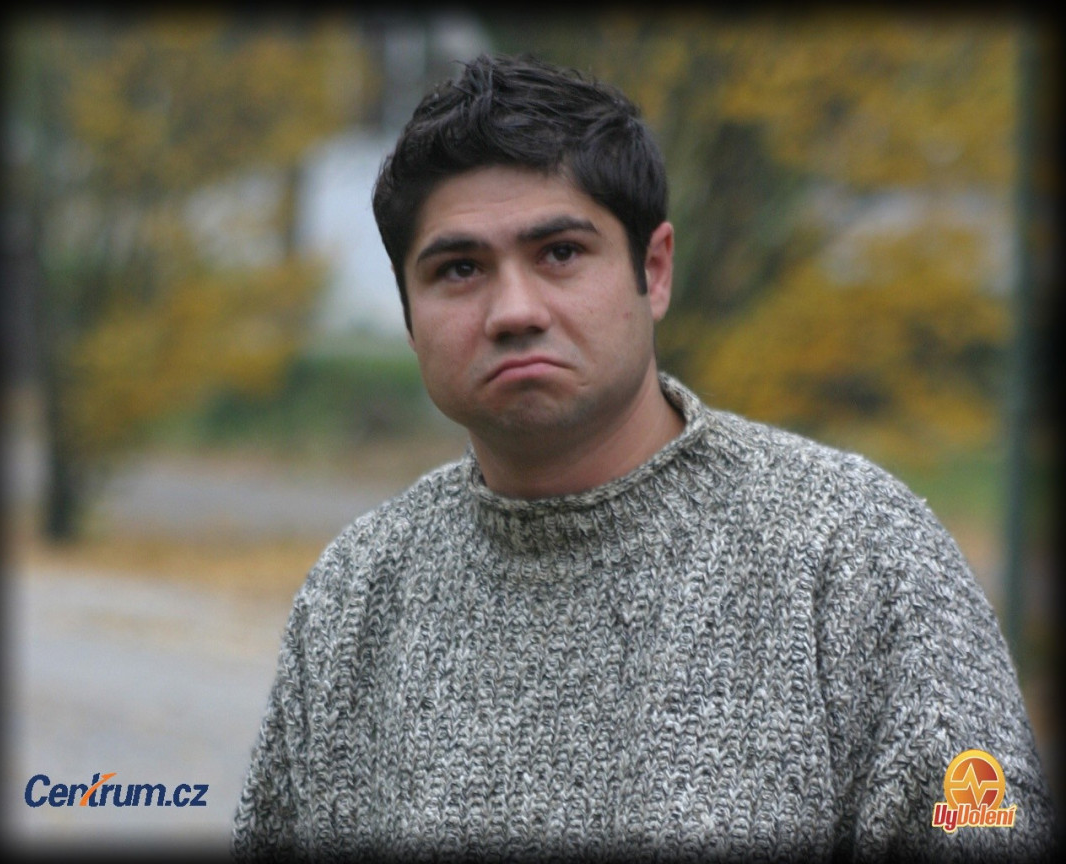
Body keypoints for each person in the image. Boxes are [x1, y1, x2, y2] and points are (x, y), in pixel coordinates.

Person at [233, 53, 1056, 862]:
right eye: (459, 269)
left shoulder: (852, 551)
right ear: (410, 316)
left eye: (560, 253)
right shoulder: (356, 595)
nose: (514, 310)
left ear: (653, 272)